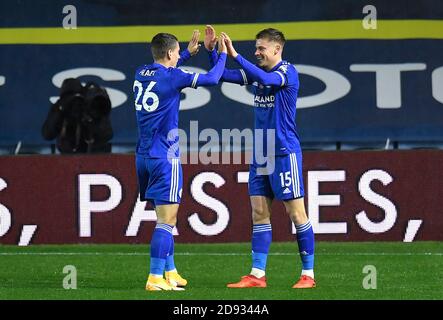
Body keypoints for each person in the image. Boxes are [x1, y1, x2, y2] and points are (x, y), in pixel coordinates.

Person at [204, 25, 316, 289]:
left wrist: (235, 54)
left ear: (277, 49)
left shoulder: (286, 72)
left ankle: (308, 275)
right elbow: (222, 77)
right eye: (255, 48)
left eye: (261, 48)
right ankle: (257, 275)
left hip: (284, 152)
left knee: (296, 214)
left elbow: (267, 81)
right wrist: (213, 54)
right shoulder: (258, 74)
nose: (256, 53)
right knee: (259, 212)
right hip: (261, 153)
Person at [134, 30, 227, 291]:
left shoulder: (141, 72)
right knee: (167, 221)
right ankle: (154, 278)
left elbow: (166, 72)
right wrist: (220, 54)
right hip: (165, 155)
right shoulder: (174, 77)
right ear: (169, 53)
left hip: (143, 155)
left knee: (163, 217)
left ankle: (170, 271)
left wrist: (187, 52)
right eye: (176, 53)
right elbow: (212, 78)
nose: (178, 56)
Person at [42, 78, 113, 153]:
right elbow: (47, 134)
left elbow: (107, 134)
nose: (77, 104)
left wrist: (90, 120)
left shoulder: (93, 106)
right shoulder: (62, 107)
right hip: (68, 155)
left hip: (96, 154)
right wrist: (61, 110)